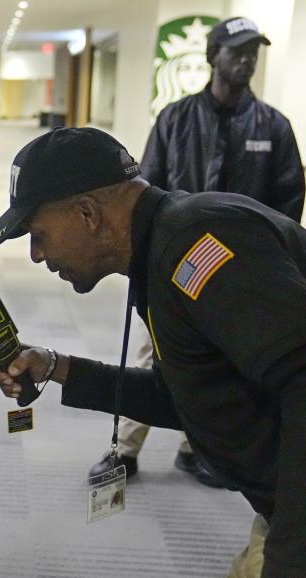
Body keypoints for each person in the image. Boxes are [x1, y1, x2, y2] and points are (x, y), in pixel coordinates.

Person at [0, 127, 306, 577]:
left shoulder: (198, 250)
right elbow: (186, 395)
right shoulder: (163, 249)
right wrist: (56, 367)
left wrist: (290, 558)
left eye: (37, 233)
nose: (37, 254)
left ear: (87, 214)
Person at [92, 16, 305, 487]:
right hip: (177, 264)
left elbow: (288, 202)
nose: (247, 59)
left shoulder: (273, 126)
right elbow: (144, 188)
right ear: (213, 56)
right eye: (237, 51)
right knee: (153, 353)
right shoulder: (176, 118)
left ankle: (198, 449)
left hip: (242, 276)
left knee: (225, 360)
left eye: (254, 51)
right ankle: (125, 449)